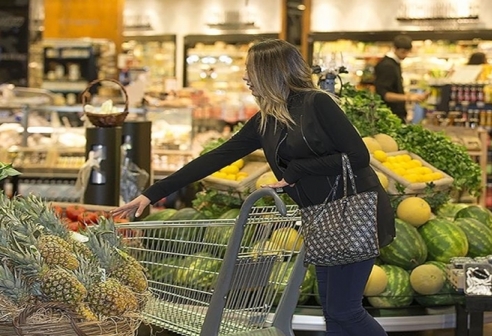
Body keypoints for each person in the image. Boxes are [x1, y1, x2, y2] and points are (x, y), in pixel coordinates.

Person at [111, 39, 395, 336]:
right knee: (335, 313)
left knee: (344, 311)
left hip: (355, 214)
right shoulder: (266, 121)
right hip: (322, 219)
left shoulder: (317, 102)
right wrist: (151, 193)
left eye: (251, 70)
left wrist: (298, 169)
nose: (246, 77)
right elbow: (215, 158)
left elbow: (358, 156)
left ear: (271, 72)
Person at [374, 35, 426, 123]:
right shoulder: (387, 66)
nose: (405, 55)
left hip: (393, 114)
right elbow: (385, 95)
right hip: (389, 115)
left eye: (407, 52)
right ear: (394, 48)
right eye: (403, 52)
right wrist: (409, 97)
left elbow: (393, 88)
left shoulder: (394, 63)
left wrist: (410, 95)